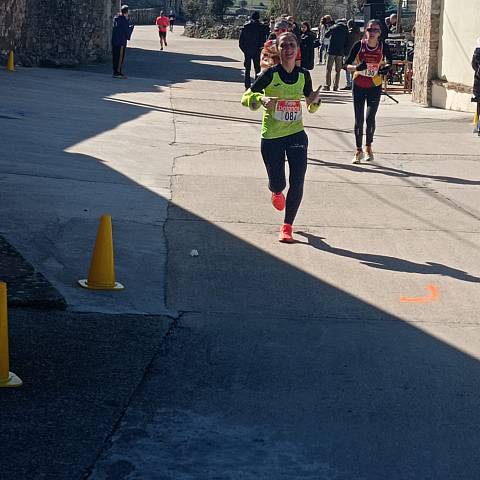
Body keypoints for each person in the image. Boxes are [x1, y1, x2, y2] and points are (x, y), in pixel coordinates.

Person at [241, 32, 322, 243]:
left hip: (296, 134)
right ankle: (276, 191)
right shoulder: (270, 75)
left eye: (292, 45)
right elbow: (246, 98)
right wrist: (261, 98)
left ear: (297, 49)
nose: (288, 49)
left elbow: (311, 107)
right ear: (278, 49)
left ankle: (287, 226)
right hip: (272, 137)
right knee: (279, 183)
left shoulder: (304, 75)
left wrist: (314, 100)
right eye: (284, 45)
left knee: (298, 181)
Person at [344, 19, 393, 163]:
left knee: (370, 119)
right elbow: (345, 64)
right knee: (359, 120)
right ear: (365, 31)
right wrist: (356, 68)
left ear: (380, 33)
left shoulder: (383, 46)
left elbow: (390, 61)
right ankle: (358, 150)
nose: (372, 33)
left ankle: (368, 148)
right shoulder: (359, 45)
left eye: (375, 30)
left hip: (374, 86)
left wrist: (386, 68)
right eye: (370, 30)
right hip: (359, 85)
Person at [239, 11, 265, 89]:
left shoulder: (246, 27)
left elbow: (241, 41)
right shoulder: (261, 27)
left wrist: (244, 50)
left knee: (247, 69)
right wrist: (260, 49)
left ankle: (247, 85)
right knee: (257, 69)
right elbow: (263, 40)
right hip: (257, 51)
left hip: (247, 50)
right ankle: (256, 85)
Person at [324, 18, 349, 91]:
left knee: (329, 69)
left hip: (331, 51)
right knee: (338, 70)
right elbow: (347, 41)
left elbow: (326, 35)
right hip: (340, 52)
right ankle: (336, 86)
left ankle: (327, 85)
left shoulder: (333, 27)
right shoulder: (345, 29)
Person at [111, 4, 134, 79]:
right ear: (126, 12)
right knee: (120, 57)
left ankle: (115, 71)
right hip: (121, 41)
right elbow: (126, 31)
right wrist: (131, 28)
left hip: (114, 40)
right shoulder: (124, 20)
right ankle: (118, 72)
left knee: (115, 57)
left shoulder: (116, 18)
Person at [342, 19, 362, 90]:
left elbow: (345, 43)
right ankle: (355, 82)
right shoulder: (359, 33)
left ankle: (349, 84)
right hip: (357, 53)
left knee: (348, 68)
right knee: (355, 69)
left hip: (348, 52)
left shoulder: (348, 33)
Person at [472, 38, 480, 135]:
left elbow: (473, 65)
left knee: (479, 104)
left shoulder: (477, 51)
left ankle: (478, 126)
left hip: (478, 81)